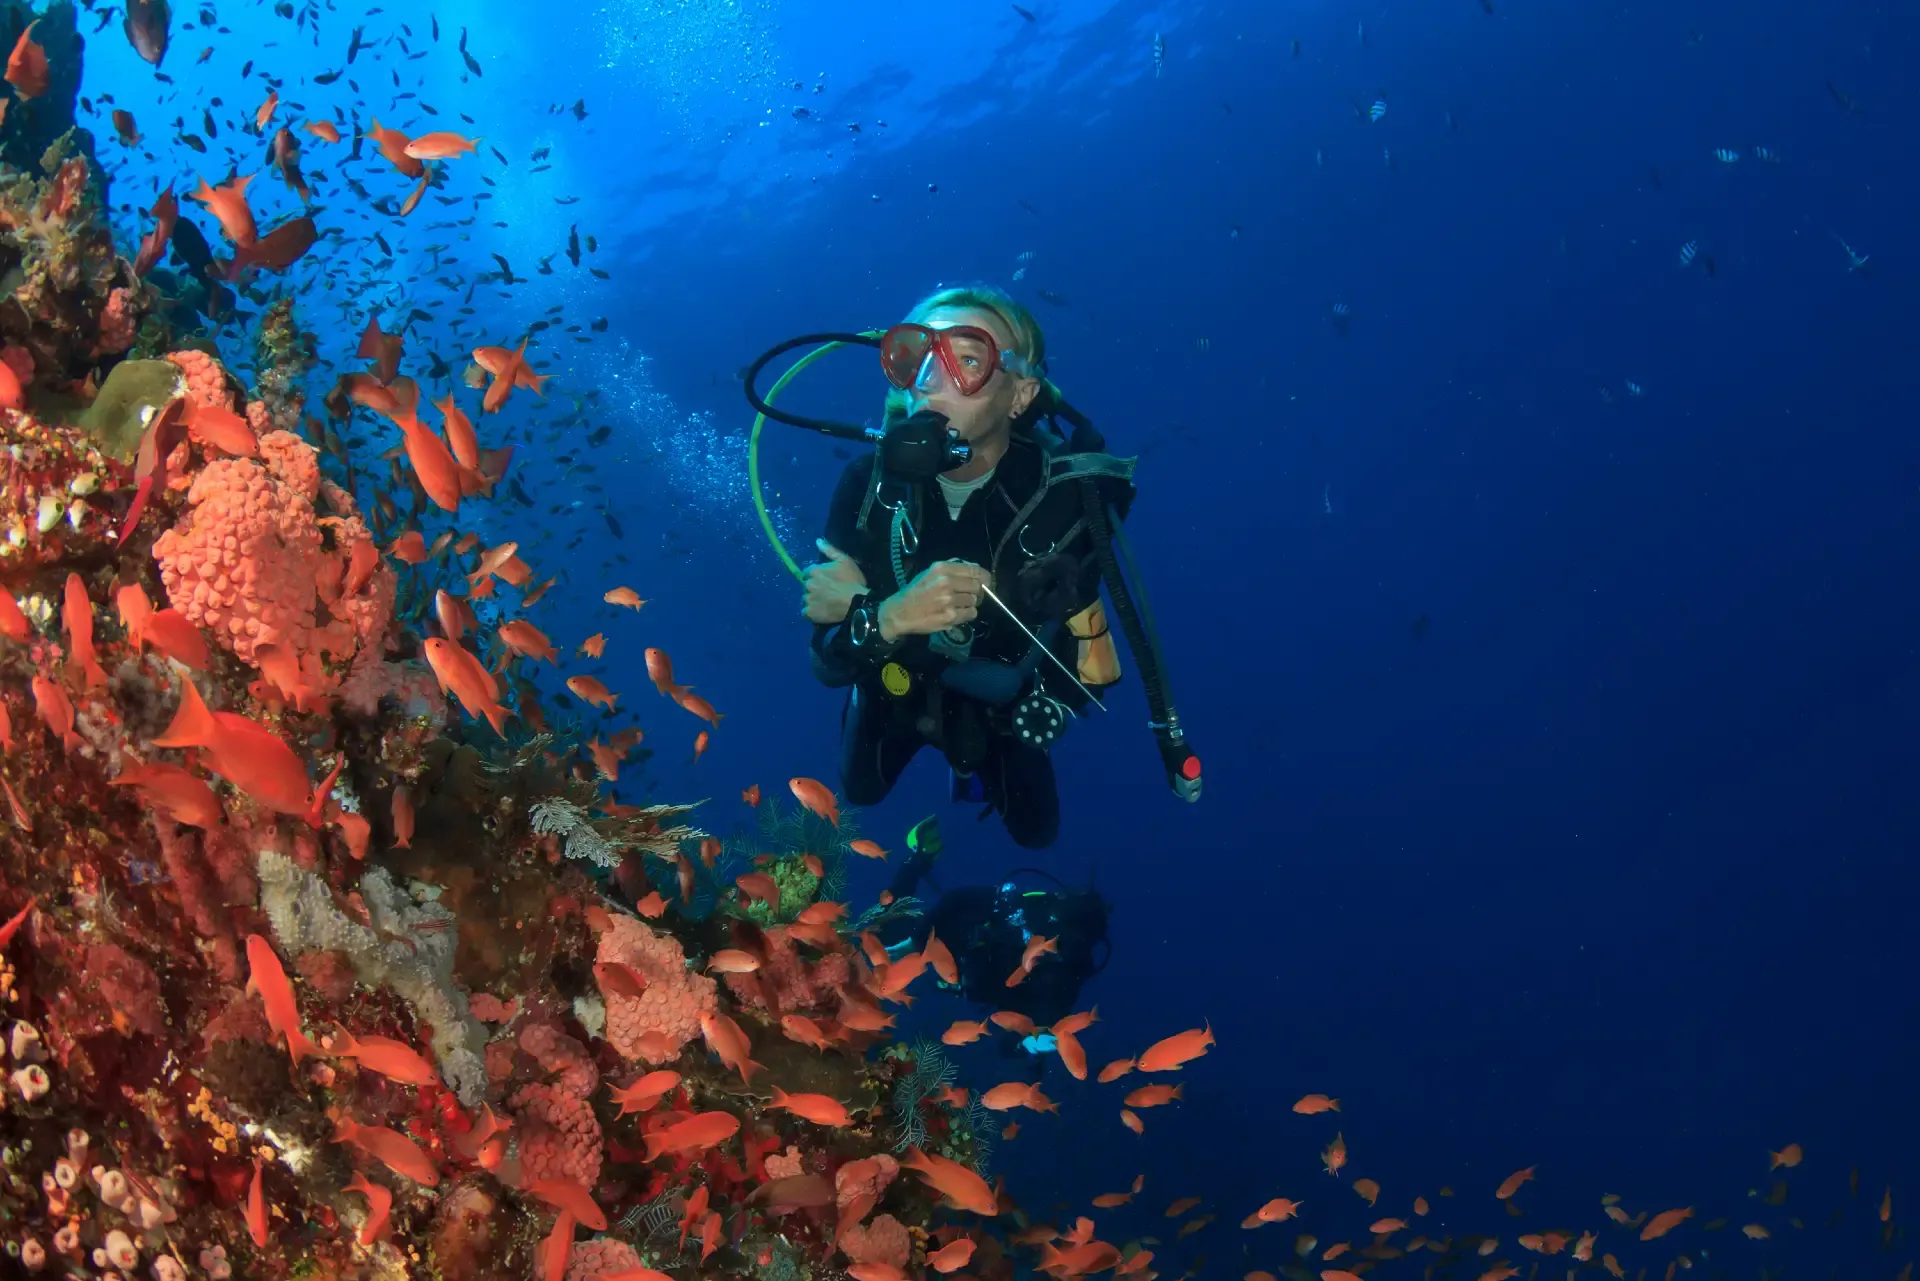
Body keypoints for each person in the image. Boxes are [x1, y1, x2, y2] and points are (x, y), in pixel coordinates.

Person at [801, 285, 1198, 849]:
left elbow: (1088, 676)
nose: (933, 380)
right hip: (893, 686)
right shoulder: (869, 486)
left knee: (1038, 834)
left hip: (1006, 707)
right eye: (915, 357)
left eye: (967, 359)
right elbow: (826, 664)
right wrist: (888, 617)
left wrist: (1017, 630)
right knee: (860, 791)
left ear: (1021, 394)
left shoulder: (1069, 497)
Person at [879, 817, 1109, 1036]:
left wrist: (1028, 1041)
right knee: (892, 934)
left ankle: (918, 861)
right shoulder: (1049, 932)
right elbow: (961, 900)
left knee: (895, 937)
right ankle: (917, 862)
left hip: (962, 958)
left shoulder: (1063, 977)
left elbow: (1018, 1017)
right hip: (963, 943)